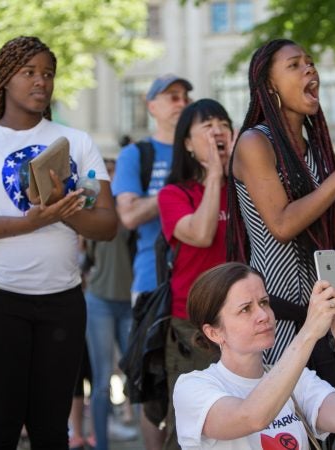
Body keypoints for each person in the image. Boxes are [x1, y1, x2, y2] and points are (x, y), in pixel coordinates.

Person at [0, 36, 117, 450]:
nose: (40, 81)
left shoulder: (77, 142)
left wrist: (63, 211)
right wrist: (32, 222)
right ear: (4, 79)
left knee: (52, 430)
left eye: (47, 73)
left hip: (62, 303)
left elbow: (107, 225)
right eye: (28, 72)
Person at [226, 38, 335, 390]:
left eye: (310, 62)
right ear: (269, 85)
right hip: (276, 316)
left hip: (324, 314)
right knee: (287, 432)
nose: (309, 69)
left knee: (324, 432)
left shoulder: (316, 151)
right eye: (294, 65)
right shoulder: (255, 142)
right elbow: (281, 225)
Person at [173, 262, 335, 449]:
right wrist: (308, 332)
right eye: (245, 309)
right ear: (213, 333)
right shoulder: (192, 388)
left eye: (264, 302)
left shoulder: (298, 380)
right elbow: (251, 417)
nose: (263, 315)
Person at [112, 73, 193, 450]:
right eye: (171, 96)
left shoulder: (199, 151)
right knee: (153, 389)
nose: (181, 102)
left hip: (203, 284)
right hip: (152, 286)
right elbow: (127, 216)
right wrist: (172, 193)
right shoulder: (137, 156)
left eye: (185, 96)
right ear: (152, 107)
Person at [157, 98, 233, 450]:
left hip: (243, 322)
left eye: (223, 122)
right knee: (193, 428)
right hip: (191, 325)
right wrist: (215, 174)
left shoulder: (245, 189)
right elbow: (201, 235)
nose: (217, 130)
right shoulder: (174, 194)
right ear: (187, 143)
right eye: (207, 125)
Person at [83, 157, 137, 450]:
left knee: (135, 375)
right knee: (102, 381)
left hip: (128, 302)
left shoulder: (130, 205)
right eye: (108, 171)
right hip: (100, 300)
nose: (112, 176)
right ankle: (100, 444)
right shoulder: (92, 207)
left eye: (115, 170)